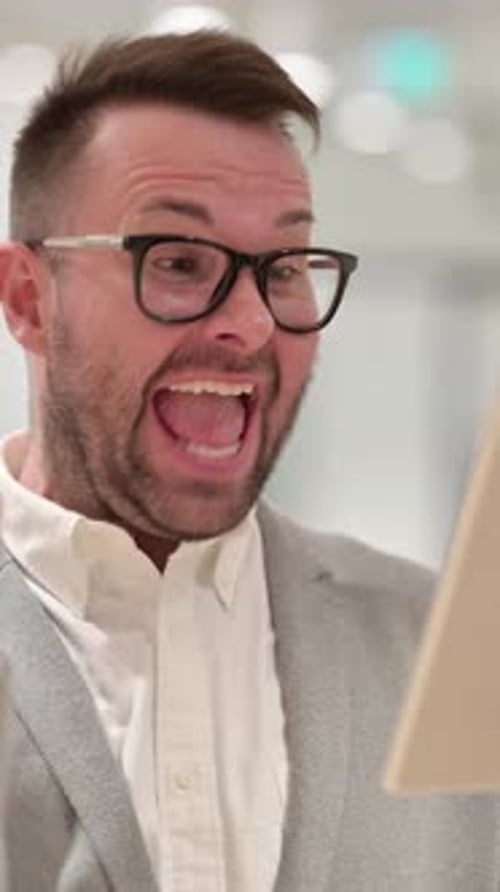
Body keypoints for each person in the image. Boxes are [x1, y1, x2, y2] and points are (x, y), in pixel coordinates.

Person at [0, 28, 497, 892]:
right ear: (27, 300)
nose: (254, 325)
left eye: (288, 266)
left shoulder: (431, 650)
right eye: (181, 262)